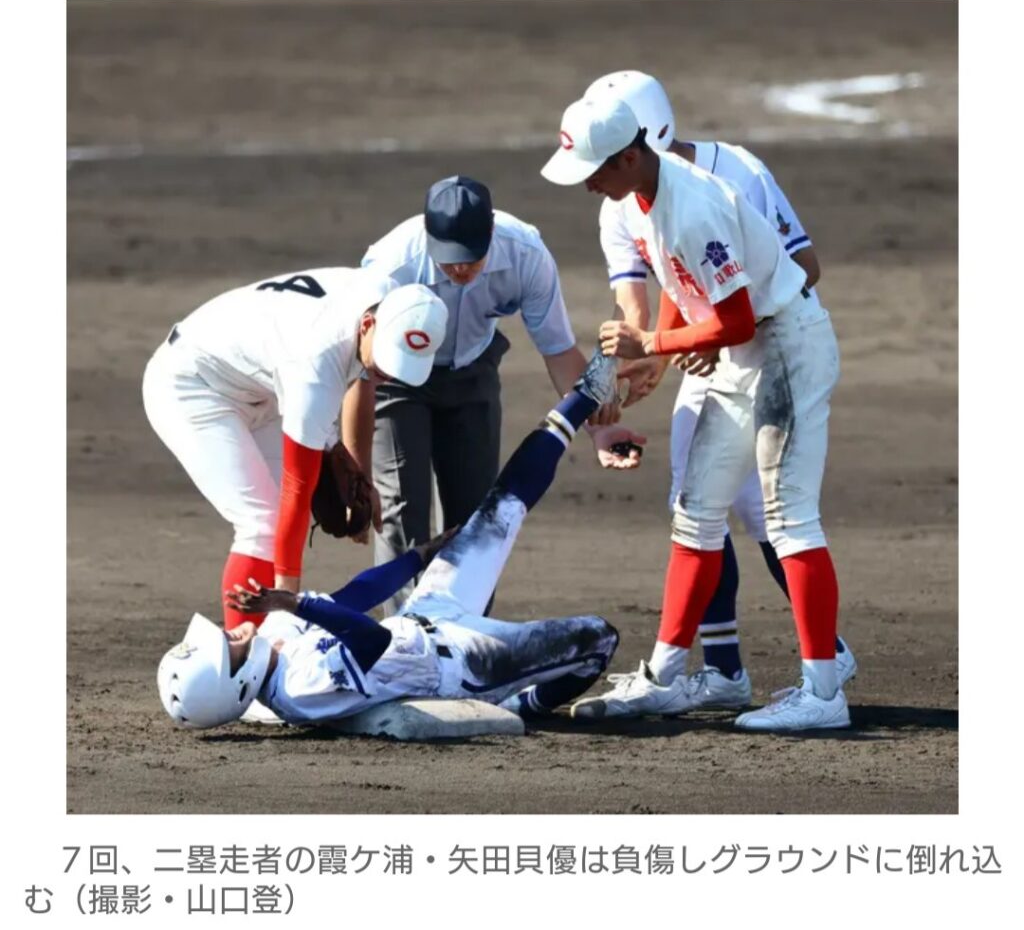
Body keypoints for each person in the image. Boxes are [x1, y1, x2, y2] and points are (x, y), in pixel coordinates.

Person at [541, 95, 850, 731]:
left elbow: (734, 320)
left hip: (787, 346)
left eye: (596, 169)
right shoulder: (639, 197)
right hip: (748, 353)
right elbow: (686, 288)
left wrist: (649, 344)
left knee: (788, 516)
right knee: (696, 513)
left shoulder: (693, 205)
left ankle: (824, 692)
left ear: (631, 156)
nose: (589, 183)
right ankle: (664, 675)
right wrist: (661, 350)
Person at [156, 352, 642, 730]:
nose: (230, 632)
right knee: (598, 638)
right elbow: (373, 637)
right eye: (226, 647)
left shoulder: (270, 640)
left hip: (428, 613)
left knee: (496, 511)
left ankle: (584, 394)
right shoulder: (302, 693)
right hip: (459, 664)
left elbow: (356, 598)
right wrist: (293, 601)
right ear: (235, 683)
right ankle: (525, 702)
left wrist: (418, 557)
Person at [357, 175, 623, 615]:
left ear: (492, 233)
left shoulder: (526, 255)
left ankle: (464, 632)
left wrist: (599, 430)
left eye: (472, 258)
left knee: (477, 517)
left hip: (473, 373)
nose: (460, 269)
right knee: (402, 511)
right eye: (449, 260)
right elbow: (360, 369)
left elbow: (558, 350)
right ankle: (404, 639)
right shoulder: (391, 267)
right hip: (396, 380)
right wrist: (356, 462)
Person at [143, 267, 447, 630]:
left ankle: (262, 652)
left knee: (275, 526)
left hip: (261, 386)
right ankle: (242, 663)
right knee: (262, 523)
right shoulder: (317, 360)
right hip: (191, 386)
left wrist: (346, 460)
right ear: (367, 325)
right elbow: (297, 489)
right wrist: (289, 600)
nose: (388, 374)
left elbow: (342, 383)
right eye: (385, 359)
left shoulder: (390, 300)